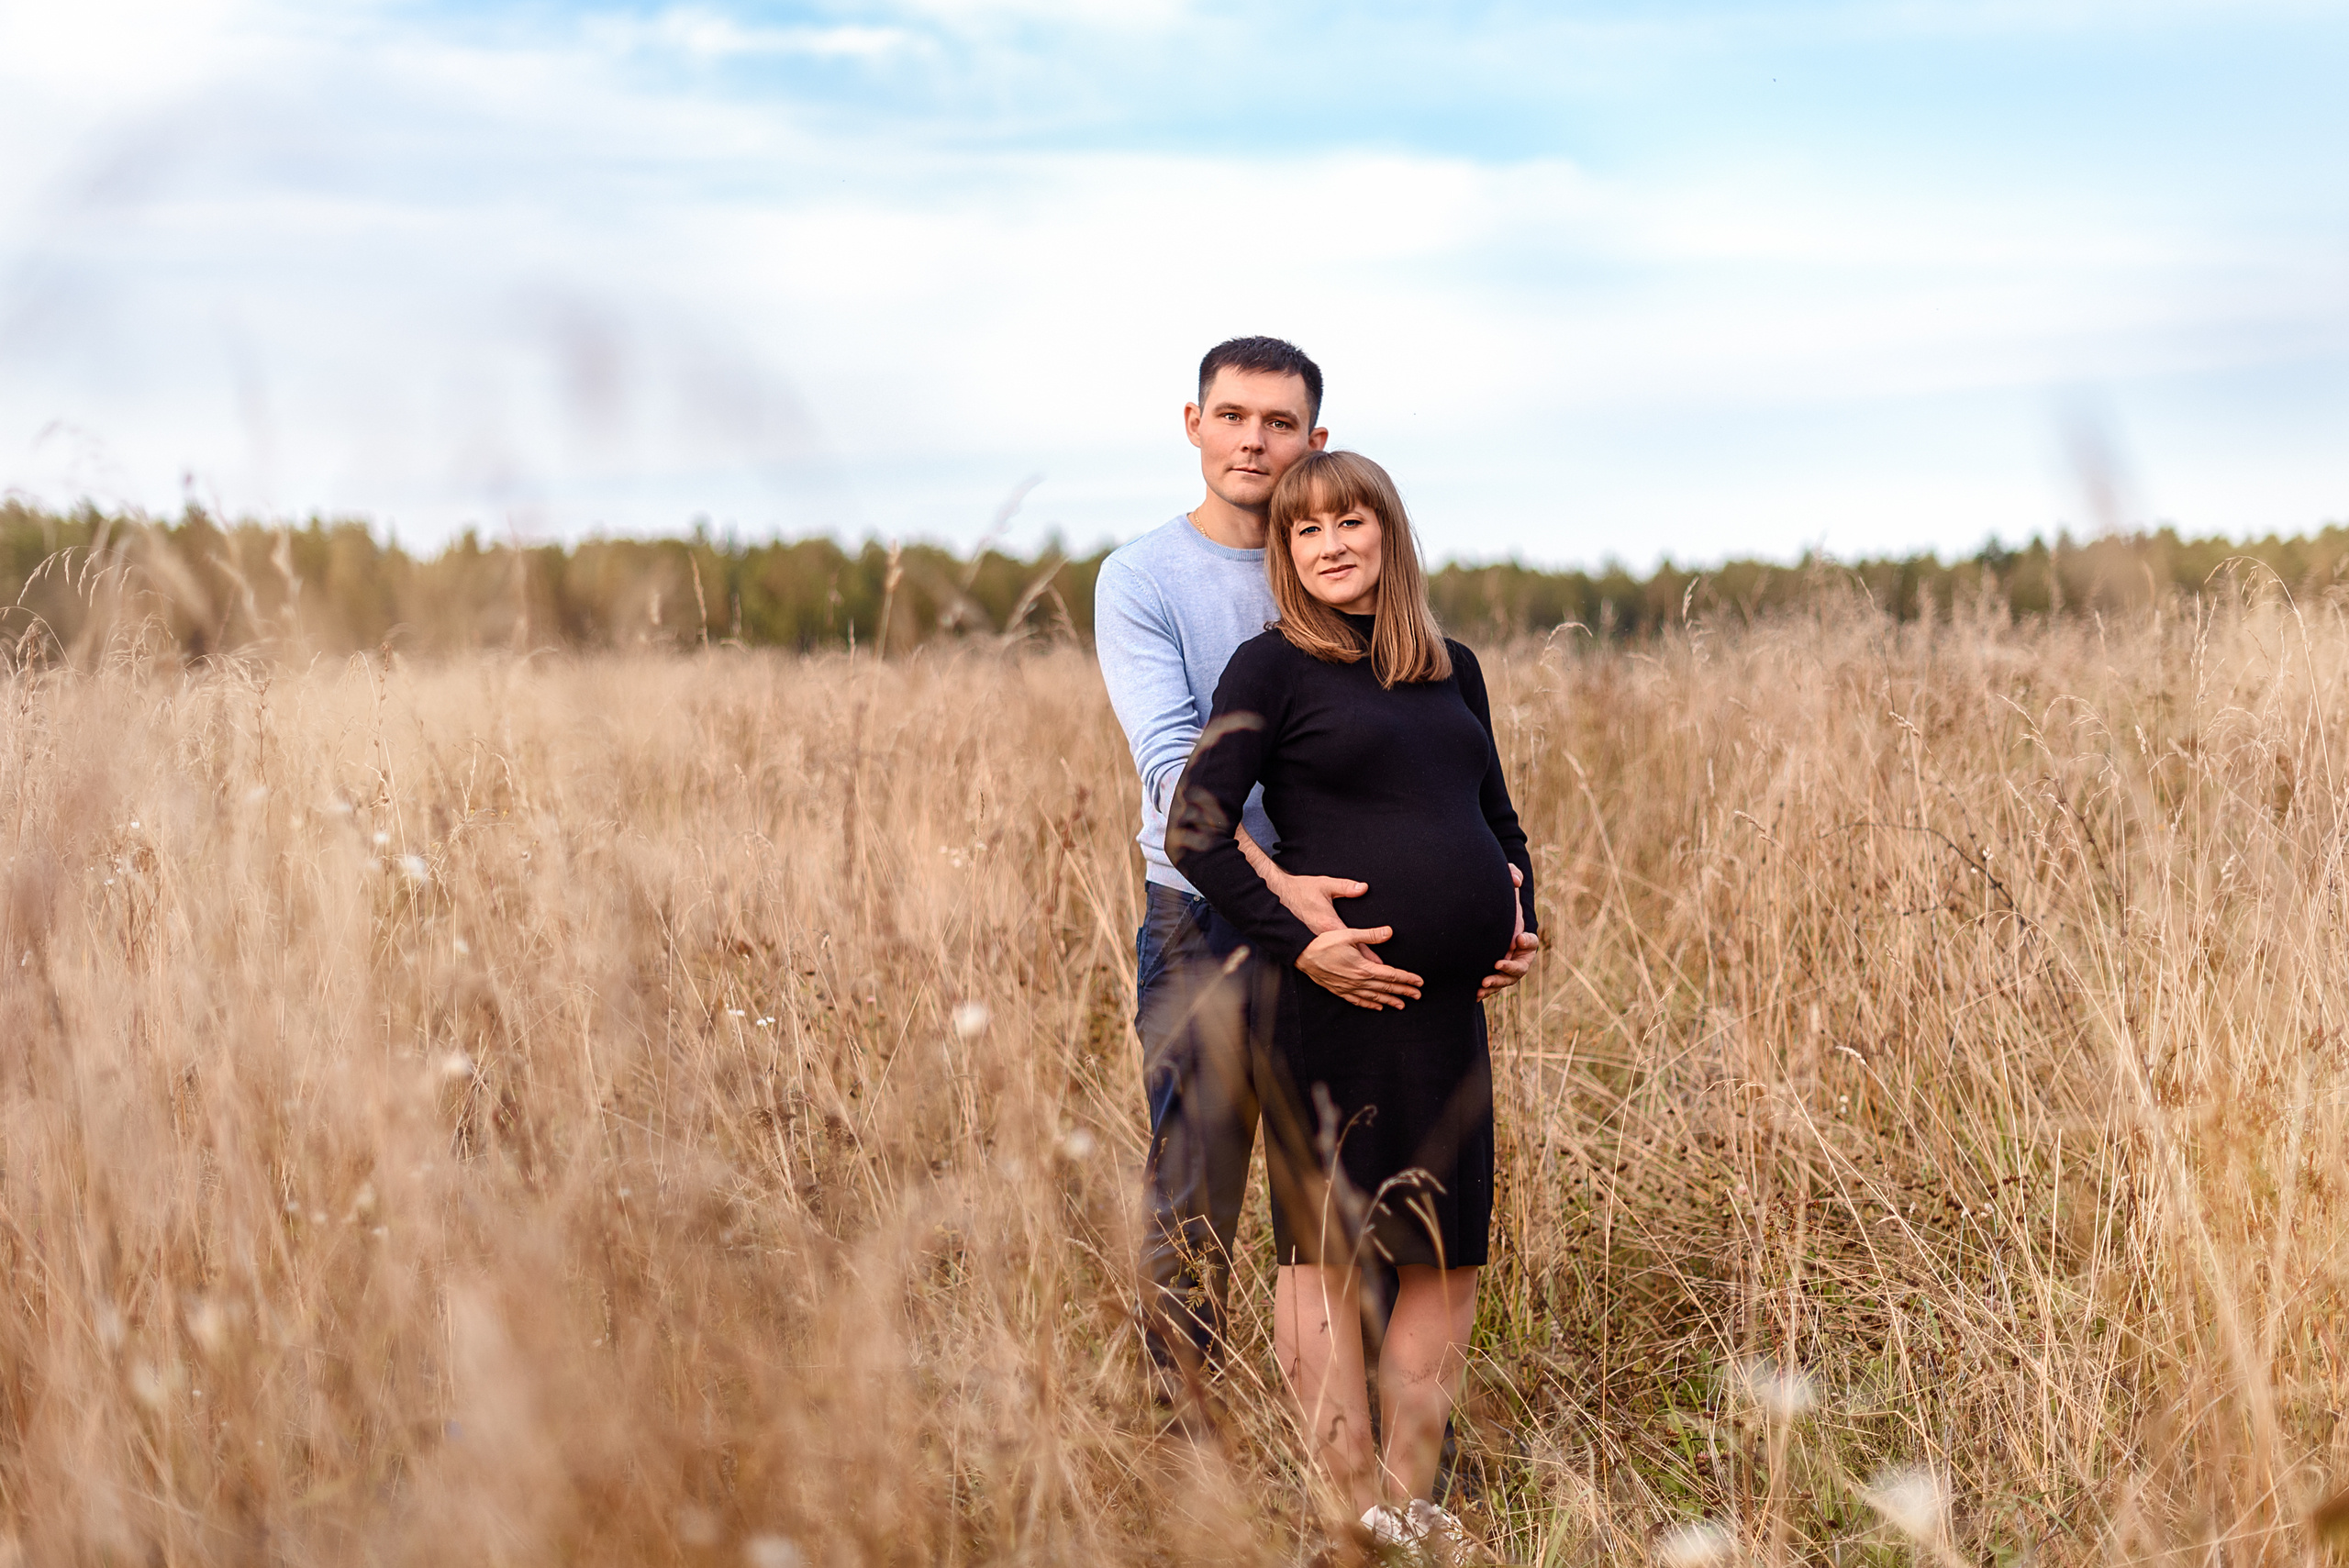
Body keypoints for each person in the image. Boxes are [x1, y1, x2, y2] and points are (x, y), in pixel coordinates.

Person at [1095, 339, 1537, 1402]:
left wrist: (1503, 898)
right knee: (1197, 1180)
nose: (1253, 440)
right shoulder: (1144, 576)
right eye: (1232, 415)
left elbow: (1455, 780)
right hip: (1208, 915)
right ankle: (1186, 1436)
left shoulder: (1342, 563)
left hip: (1354, 935)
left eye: (1279, 422)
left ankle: (1384, 1447)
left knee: (1357, 1188)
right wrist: (1286, 895)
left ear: (1313, 440)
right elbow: (1172, 767)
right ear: (1194, 424)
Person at [1166, 449, 1538, 1547]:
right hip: (1332, 1007)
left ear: (1388, 532)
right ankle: (1351, 1510)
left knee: (1444, 1252)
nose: (1330, 544)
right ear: (1284, 553)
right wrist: (1306, 944)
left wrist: (1517, 914)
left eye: (1349, 521)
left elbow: (1498, 821)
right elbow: (1196, 827)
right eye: (1305, 529)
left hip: (1447, 1012)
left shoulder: (1453, 668)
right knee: (1325, 1253)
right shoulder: (1271, 667)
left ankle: (1412, 1505)